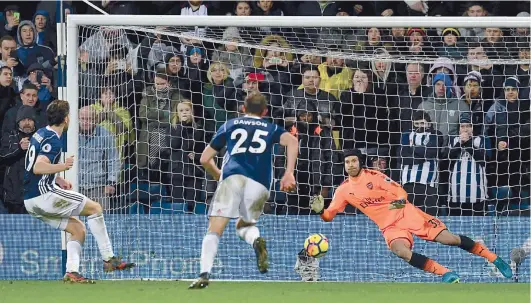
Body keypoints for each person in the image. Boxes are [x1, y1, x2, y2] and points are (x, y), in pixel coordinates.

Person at [310, 149, 513, 283]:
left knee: (449, 239)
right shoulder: (343, 190)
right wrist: (320, 210)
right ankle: (446, 273)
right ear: (344, 165)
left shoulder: (375, 177)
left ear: (360, 162)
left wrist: (396, 207)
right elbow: (329, 216)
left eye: (354, 161)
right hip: (389, 228)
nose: (351, 164)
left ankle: (493, 258)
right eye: (347, 162)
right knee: (400, 251)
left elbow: (402, 194)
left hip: (407, 214)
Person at [189, 93, 298, 289]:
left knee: (215, 229)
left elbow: (204, 159)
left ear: (242, 108)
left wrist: (217, 174)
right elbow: (292, 141)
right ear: (265, 112)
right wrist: (289, 173)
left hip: (233, 177)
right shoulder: (271, 127)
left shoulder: (230, 125)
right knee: (243, 226)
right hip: (261, 183)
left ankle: (204, 273)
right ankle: (256, 240)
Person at [23, 100, 135, 283]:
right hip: (44, 196)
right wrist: (63, 166)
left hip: (30, 201)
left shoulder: (40, 133)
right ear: (66, 119)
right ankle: (109, 259)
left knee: (78, 229)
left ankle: (72, 272)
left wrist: (58, 178)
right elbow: (38, 166)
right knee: (95, 208)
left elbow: (32, 166)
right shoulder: (53, 139)